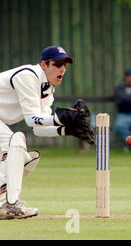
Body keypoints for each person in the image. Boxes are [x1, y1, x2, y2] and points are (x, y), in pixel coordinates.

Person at [0, 46, 95, 220]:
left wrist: (66, 130)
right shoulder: (28, 75)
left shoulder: (47, 89)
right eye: (58, 64)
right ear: (44, 64)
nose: (62, 69)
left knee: (28, 160)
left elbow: (39, 128)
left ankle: (6, 202)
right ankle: (6, 204)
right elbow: (31, 120)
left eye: (65, 65)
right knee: (15, 142)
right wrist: (60, 119)